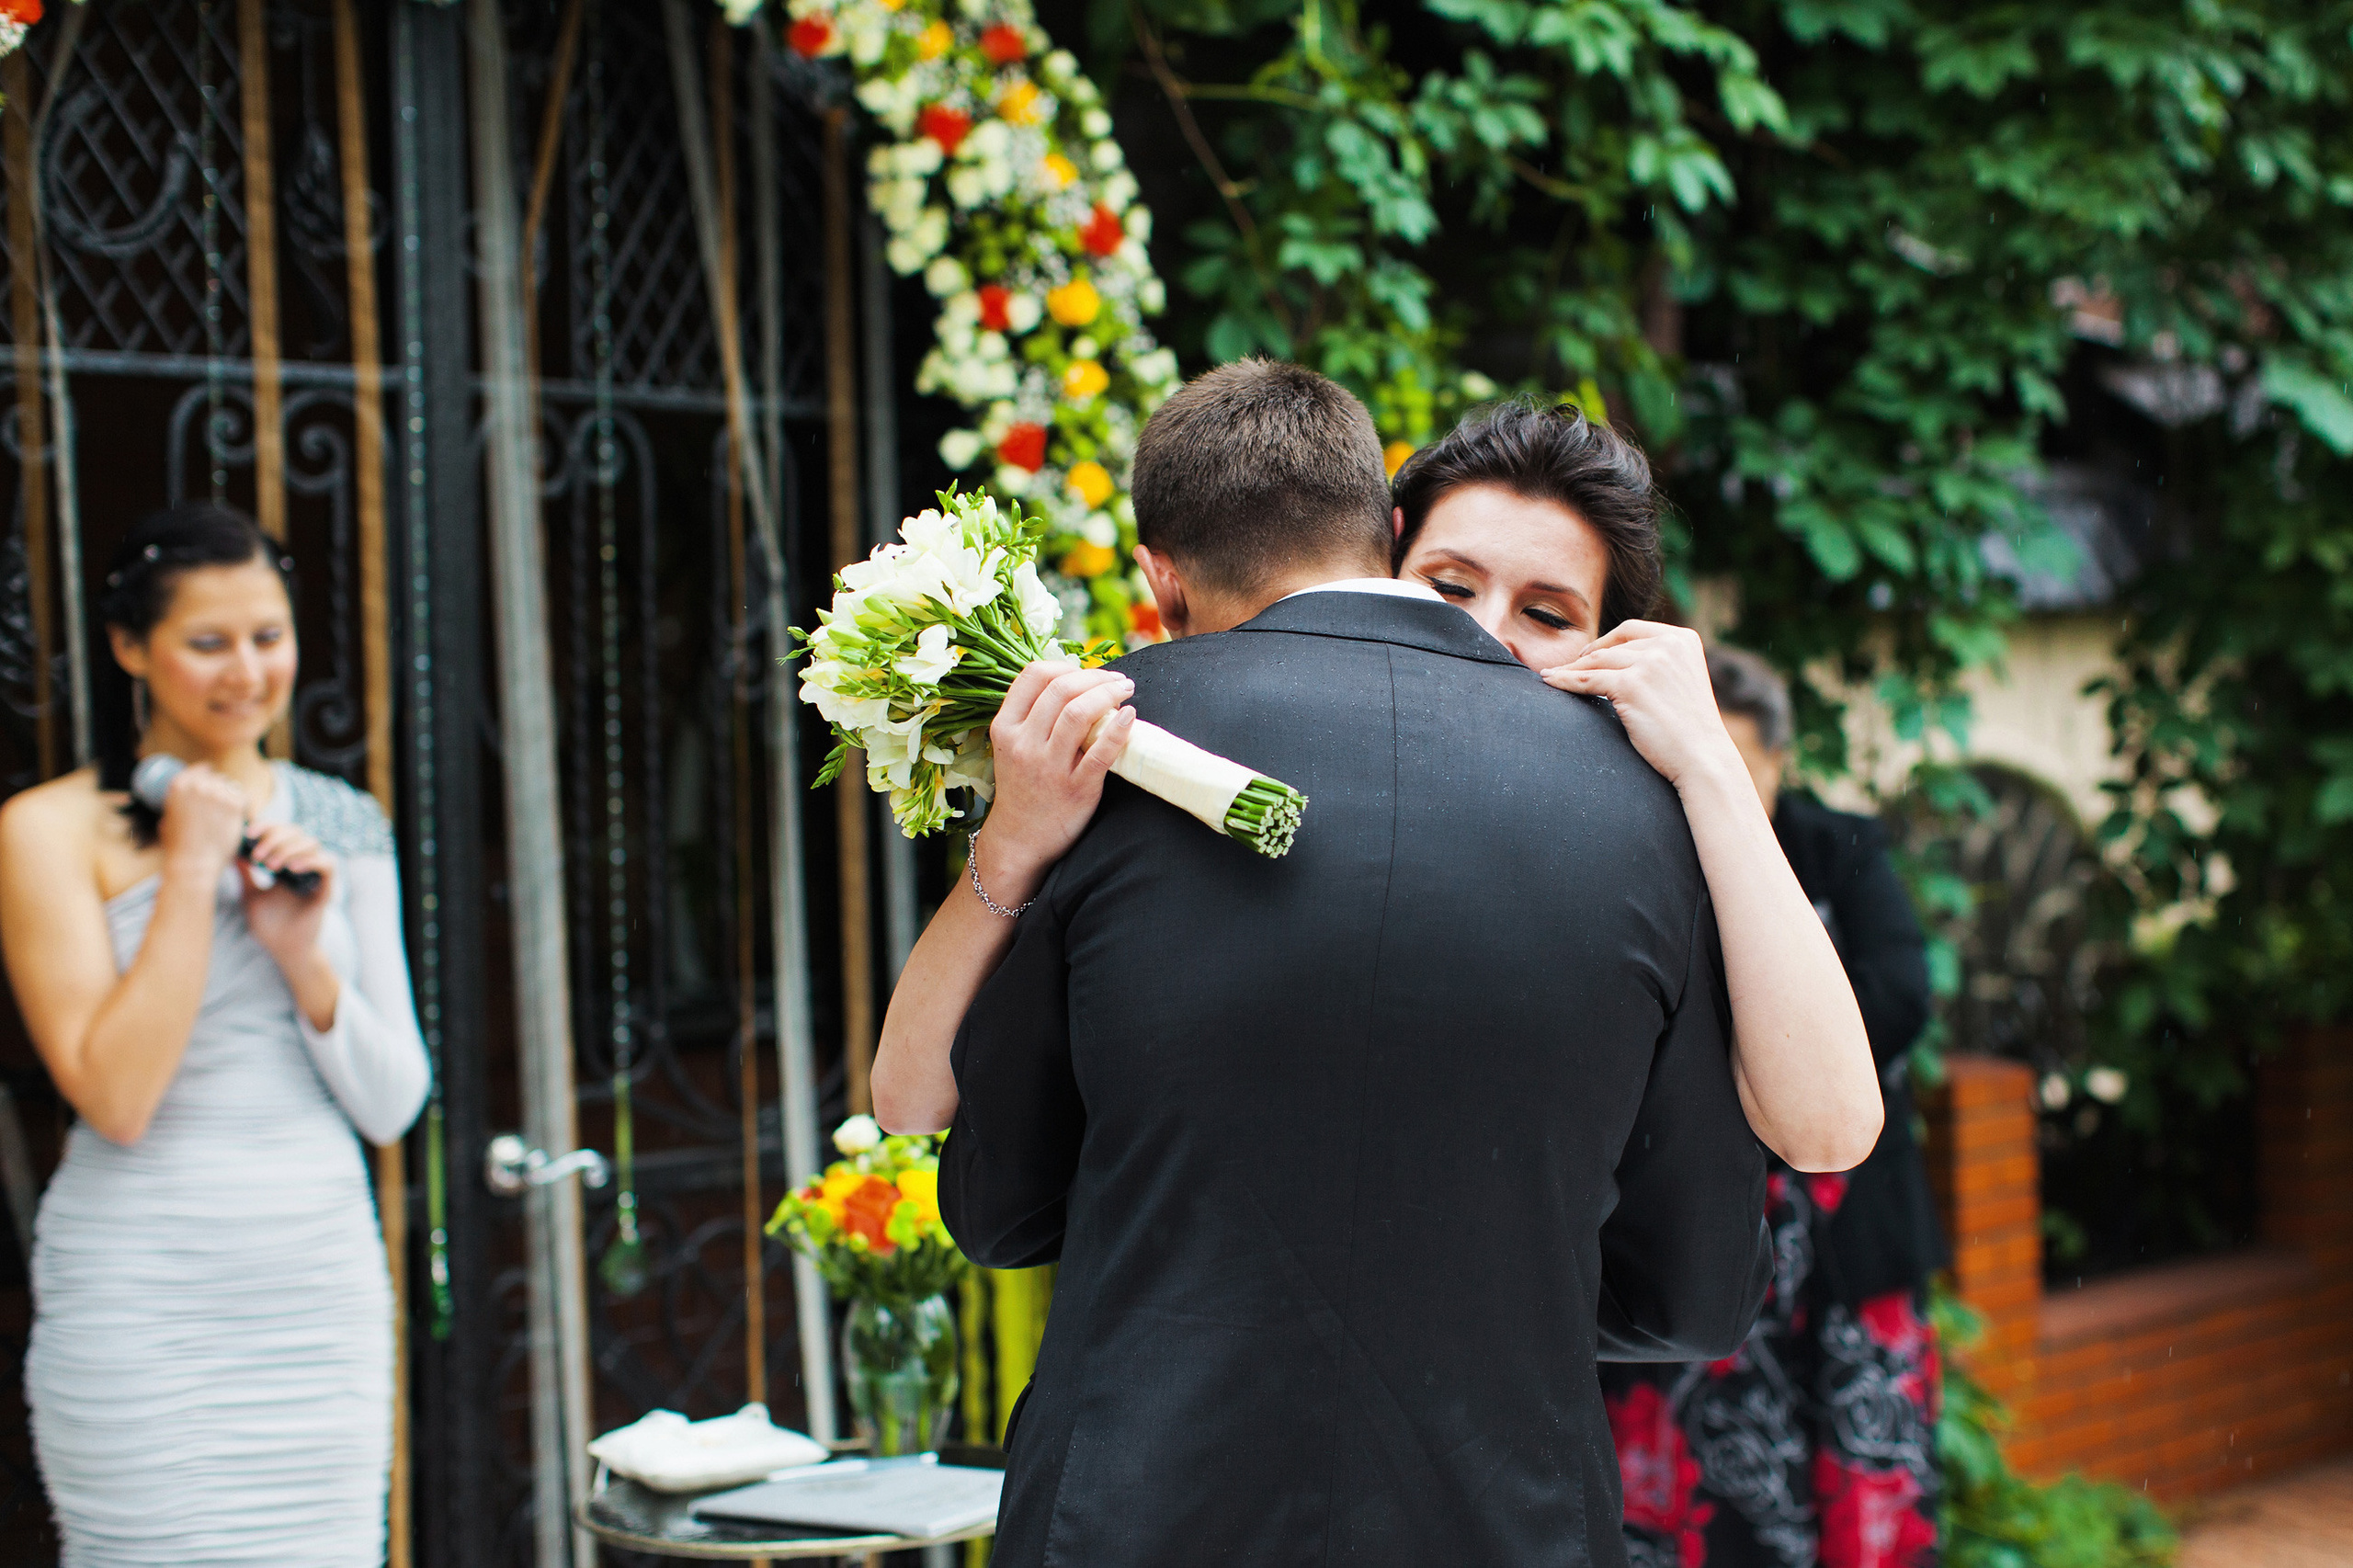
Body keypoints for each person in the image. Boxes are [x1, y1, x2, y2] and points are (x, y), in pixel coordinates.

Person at [930, 361, 1772, 1566]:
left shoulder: (1105, 753)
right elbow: (1692, 1291)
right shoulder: (1648, 798)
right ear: (1384, 531)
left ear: (1159, 572)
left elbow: (1000, 1204)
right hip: (1499, 1522)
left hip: (1137, 1515)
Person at [874, 397, 1883, 1175]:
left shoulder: (1636, 819)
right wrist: (1012, 840)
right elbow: (914, 1095)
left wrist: (1708, 764)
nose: (1484, 632)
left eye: (1546, 613)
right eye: (1450, 586)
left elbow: (1830, 1125)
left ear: (1609, 644)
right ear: (1382, 557)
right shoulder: (1172, 757)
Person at [0, 504, 430, 1564]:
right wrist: (191, 871)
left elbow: (393, 1101)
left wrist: (301, 953)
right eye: (208, 642)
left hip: (313, 1282)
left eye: (268, 636)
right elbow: (116, 1094)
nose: (246, 671)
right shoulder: (46, 831)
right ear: (130, 647)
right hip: (141, 1287)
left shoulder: (341, 820)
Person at [1598, 646, 1946, 1568]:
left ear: (1781, 757)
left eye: (1740, 751)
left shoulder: (1843, 847)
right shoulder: (1642, 847)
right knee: (1705, 1509)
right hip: (1696, 1239)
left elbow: (1901, 994)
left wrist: (1776, 1055)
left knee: (1857, 1482)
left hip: (1839, 1241)